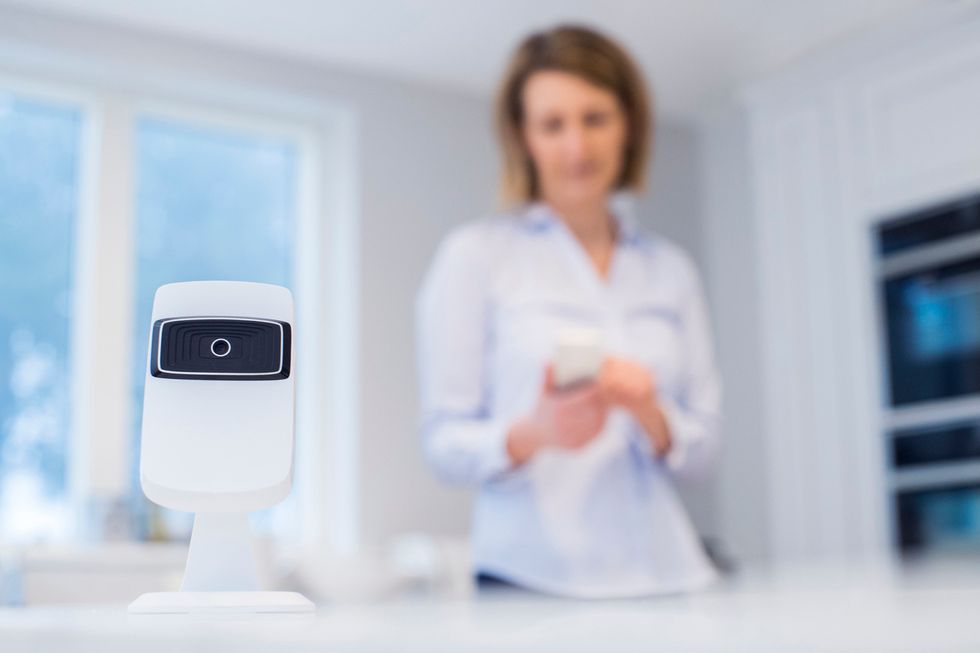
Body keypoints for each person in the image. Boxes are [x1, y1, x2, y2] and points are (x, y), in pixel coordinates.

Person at [416, 24, 722, 599]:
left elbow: (704, 452)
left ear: (628, 124)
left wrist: (650, 413)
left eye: (595, 118)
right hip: (528, 579)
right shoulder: (475, 257)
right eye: (553, 125)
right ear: (523, 138)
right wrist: (533, 432)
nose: (577, 148)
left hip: (670, 577)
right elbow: (442, 443)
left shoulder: (671, 270)